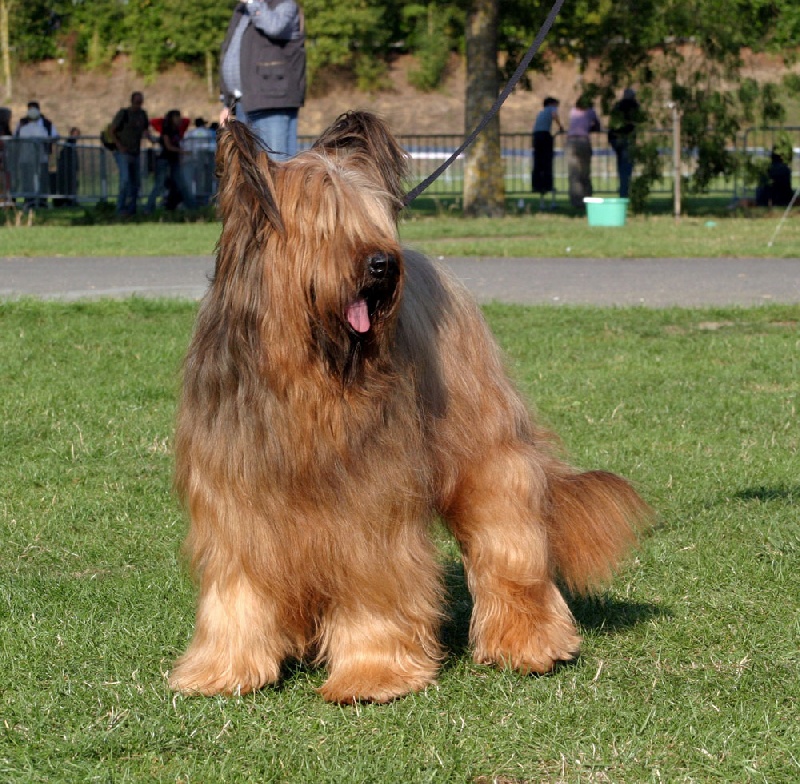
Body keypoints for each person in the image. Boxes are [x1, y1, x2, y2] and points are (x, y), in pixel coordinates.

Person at [219, 0, 306, 160]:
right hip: (243, 103)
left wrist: (253, 2)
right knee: (251, 172)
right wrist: (227, 104)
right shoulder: (242, 11)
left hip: (273, 103)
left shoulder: (286, 5)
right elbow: (231, 52)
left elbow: (274, 26)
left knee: (276, 169)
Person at [110, 91, 155, 216]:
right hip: (123, 152)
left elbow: (145, 130)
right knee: (125, 180)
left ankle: (132, 208)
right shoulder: (124, 114)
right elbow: (112, 130)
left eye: (140, 102)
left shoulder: (142, 115)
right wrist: (120, 146)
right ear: (132, 101)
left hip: (135, 152)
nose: (139, 104)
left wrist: (151, 139)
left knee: (135, 181)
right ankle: (120, 208)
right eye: (137, 102)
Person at [146, 109, 194, 212]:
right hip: (164, 160)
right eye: (176, 117)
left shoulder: (177, 130)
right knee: (159, 185)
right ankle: (148, 209)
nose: (179, 119)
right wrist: (182, 152)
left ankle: (192, 208)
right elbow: (169, 147)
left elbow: (187, 121)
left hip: (174, 161)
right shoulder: (166, 130)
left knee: (181, 184)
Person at [15, 101, 58, 209]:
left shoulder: (24, 128)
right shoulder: (41, 129)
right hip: (39, 158)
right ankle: (37, 200)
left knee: (30, 180)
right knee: (38, 179)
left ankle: (31, 200)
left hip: (27, 158)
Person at [566, 94, 601, 209]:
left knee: (573, 174)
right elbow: (597, 126)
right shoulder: (590, 111)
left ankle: (576, 201)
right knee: (585, 172)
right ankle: (587, 198)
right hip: (583, 141)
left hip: (570, 141)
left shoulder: (573, 111)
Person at [608, 88, 643, 198]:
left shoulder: (617, 106)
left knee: (621, 165)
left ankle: (623, 189)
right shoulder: (634, 106)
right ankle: (624, 194)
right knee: (626, 167)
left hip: (614, 138)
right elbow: (640, 119)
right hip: (626, 138)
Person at [531, 96, 563, 209]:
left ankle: (538, 185)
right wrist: (560, 127)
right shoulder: (551, 109)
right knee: (547, 162)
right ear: (551, 104)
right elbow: (555, 116)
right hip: (544, 136)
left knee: (538, 162)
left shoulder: (541, 112)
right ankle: (547, 184)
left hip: (536, 136)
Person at [182, 118, 216, 205]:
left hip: (194, 158)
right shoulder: (208, 132)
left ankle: (196, 197)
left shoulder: (190, 133)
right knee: (207, 178)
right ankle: (206, 197)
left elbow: (186, 145)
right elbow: (212, 145)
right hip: (207, 159)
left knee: (196, 178)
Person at [56, 127, 81, 206]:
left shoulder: (71, 143)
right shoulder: (69, 143)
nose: (76, 136)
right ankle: (68, 200)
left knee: (71, 185)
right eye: (75, 134)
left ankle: (69, 200)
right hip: (68, 167)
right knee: (69, 185)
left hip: (69, 167)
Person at [0, 107, 12, 207]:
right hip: (2, 157)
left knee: (6, 179)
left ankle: (6, 200)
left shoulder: (6, 129)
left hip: (6, 158)